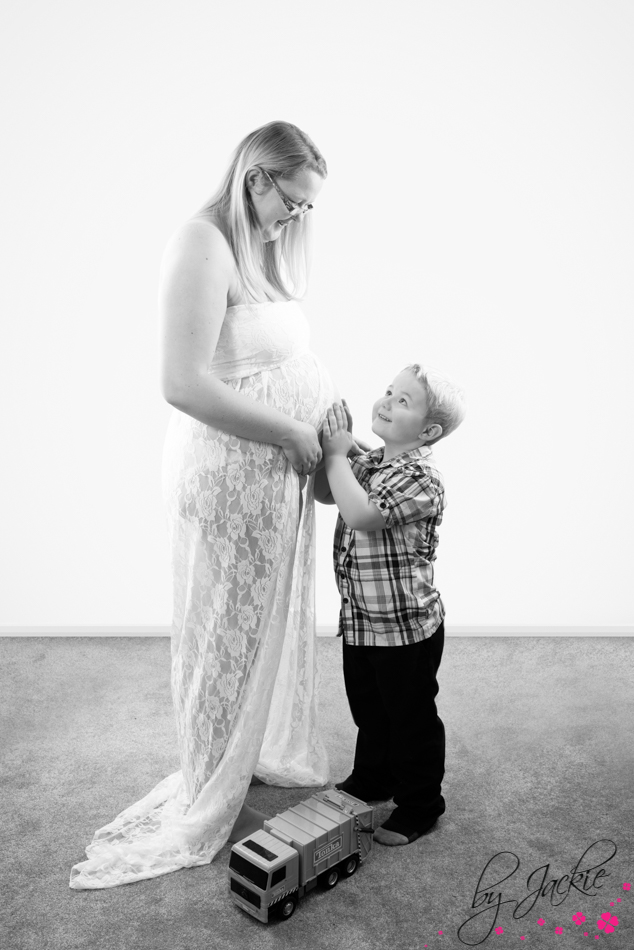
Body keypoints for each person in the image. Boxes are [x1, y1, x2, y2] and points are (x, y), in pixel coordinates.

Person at [70, 120, 339, 889]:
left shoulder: (254, 245)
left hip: (267, 475)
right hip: (224, 475)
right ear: (256, 178)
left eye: (308, 208)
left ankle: (239, 752)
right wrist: (293, 426)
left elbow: (274, 350)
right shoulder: (200, 244)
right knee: (220, 634)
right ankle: (206, 779)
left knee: (251, 630)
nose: (297, 218)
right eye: (293, 201)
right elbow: (182, 383)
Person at [314, 364, 466, 846]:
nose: (385, 402)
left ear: (429, 430)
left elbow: (359, 513)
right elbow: (326, 492)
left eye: (403, 401)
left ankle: (421, 803)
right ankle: (373, 779)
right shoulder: (370, 461)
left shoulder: (421, 478)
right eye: (388, 392)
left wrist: (340, 456)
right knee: (370, 711)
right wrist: (335, 450)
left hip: (405, 629)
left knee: (411, 718)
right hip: (360, 620)